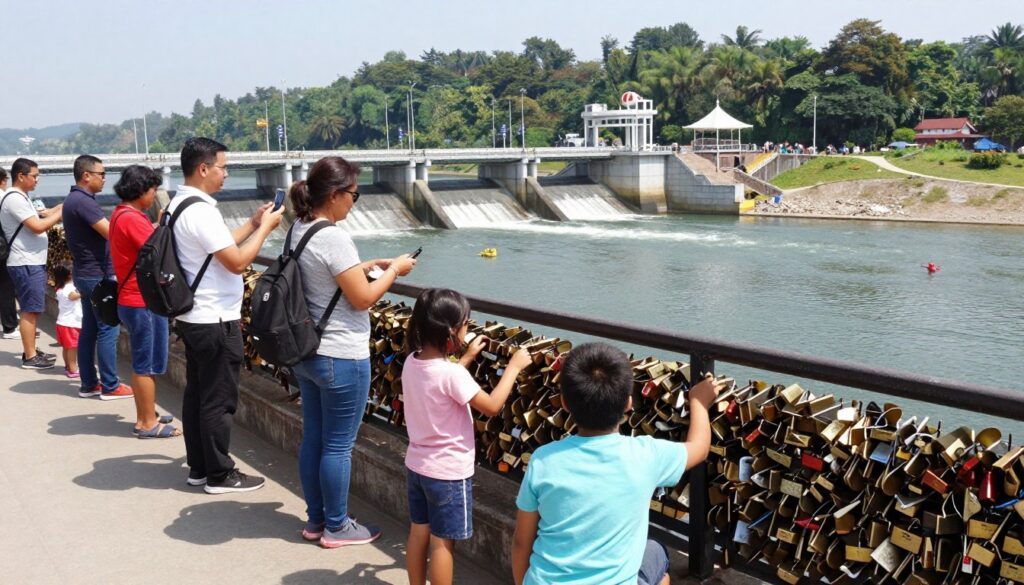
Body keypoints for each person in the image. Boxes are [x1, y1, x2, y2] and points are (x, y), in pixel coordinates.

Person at [511, 342, 729, 585]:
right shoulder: (646, 455)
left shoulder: (543, 459)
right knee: (657, 555)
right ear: (628, 403)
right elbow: (698, 449)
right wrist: (698, 402)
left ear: (564, 403)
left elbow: (522, 541)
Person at [286, 156, 417, 545]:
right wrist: (394, 271)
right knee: (338, 446)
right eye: (354, 196)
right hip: (341, 354)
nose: (354, 204)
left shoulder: (300, 227)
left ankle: (317, 520)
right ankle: (338, 526)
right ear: (336, 194)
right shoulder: (334, 235)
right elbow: (361, 300)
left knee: (314, 438)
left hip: (308, 351)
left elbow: (325, 276)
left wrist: (367, 264)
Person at [167, 137, 284, 492]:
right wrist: (266, 229)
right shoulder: (202, 210)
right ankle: (219, 474)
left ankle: (199, 467)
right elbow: (235, 262)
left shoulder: (179, 203)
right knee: (219, 400)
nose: (226, 174)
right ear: (203, 169)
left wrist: (251, 223)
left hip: (193, 317)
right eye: (223, 167)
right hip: (214, 318)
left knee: (197, 394)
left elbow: (216, 246)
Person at [402, 288, 531, 585]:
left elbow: (443, 385)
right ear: (451, 331)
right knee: (443, 543)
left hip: (417, 466)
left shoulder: (413, 362)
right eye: (465, 324)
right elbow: (493, 406)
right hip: (447, 473)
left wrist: (468, 356)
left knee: (419, 532)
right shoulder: (451, 375)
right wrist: (513, 367)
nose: (467, 329)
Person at [110, 165, 179, 438]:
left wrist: (155, 226)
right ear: (141, 191)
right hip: (143, 301)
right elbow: (158, 251)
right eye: (152, 190)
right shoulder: (133, 219)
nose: (153, 196)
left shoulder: (119, 214)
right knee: (146, 365)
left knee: (142, 362)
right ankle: (148, 423)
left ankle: (144, 416)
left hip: (128, 298)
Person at [63, 154, 133, 399]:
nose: (105, 178)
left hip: (84, 273)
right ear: (86, 175)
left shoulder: (73, 200)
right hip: (97, 275)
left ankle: (89, 383)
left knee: (90, 329)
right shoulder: (84, 202)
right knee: (108, 328)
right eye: (101, 174)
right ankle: (111, 386)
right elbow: (111, 233)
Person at [0, 158, 62, 369]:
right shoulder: (15, 199)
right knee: (30, 310)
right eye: (34, 176)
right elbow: (37, 226)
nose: (37, 180)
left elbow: (41, 215)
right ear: (21, 176)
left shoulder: (19, 197)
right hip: (25, 261)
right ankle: (30, 356)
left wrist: (58, 208)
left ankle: (31, 350)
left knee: (32, 308)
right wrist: (62, 212)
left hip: (28, 261)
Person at [0, 168, 21, 340]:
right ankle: (9, 327)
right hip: (2, 250)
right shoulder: (4, 197)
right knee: (6, 287)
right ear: (4, 180)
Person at [52, 264, 82, 378]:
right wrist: (85, 293)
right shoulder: (69, 288)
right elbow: (73, 296)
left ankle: (68, 366)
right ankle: (73, 370)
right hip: (71, 324)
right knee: (72, 348)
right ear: (70, 275)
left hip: (63, 322)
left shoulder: (60, 287)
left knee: (66, 347)